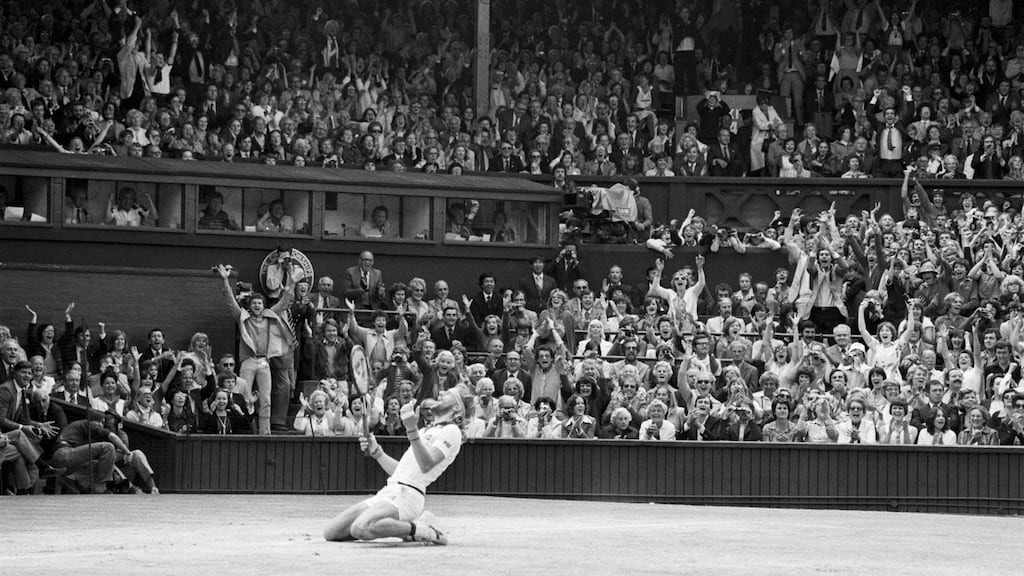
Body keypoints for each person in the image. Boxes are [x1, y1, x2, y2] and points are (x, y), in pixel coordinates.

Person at [322, 388, 474, 545]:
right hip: (390, 491)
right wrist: (377, 452)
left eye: (447, 394)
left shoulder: (452, 431)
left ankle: (423, 530)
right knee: (332, 532)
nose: (441, 394)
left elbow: (427, 464)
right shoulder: (425, 430)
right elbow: (400, 471)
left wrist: (411, 429)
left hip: (408, 496)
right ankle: (405, 530)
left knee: (360, 528)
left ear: (457, 407)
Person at [216, 264, 295, 434]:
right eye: (254, 303)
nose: (258, 305)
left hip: (264, 361)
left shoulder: (269, 316)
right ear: (249, 305)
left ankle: (265, 432)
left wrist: (293, 284)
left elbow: (284, 303)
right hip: (248, 362)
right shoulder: (243, 317)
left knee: (265, 399)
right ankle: (239, 428)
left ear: (264, 305)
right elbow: (230, 301)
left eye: (260, 303)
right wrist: (225, 280)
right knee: (240, 396)